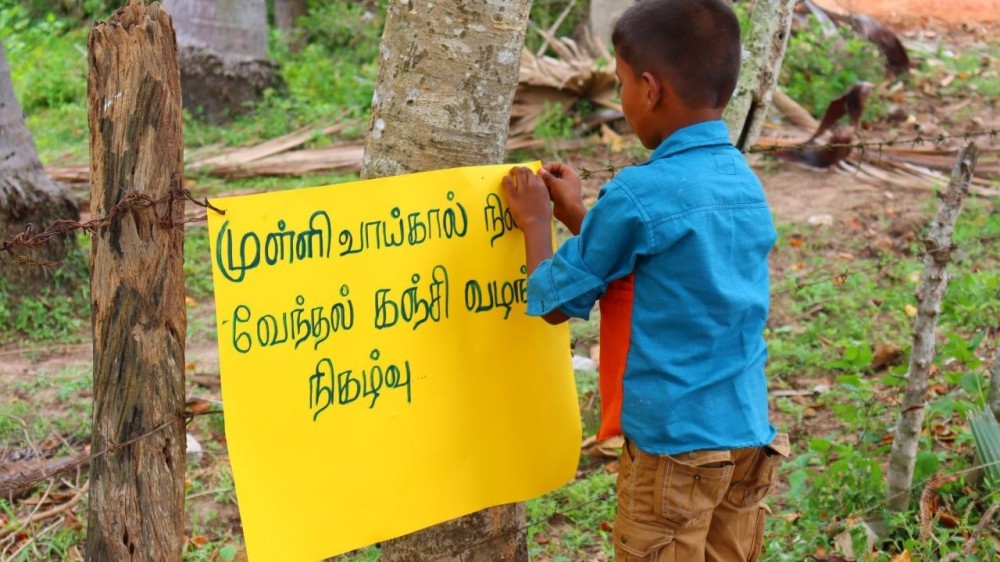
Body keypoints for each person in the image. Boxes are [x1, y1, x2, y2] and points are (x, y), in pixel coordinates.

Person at [501, 1, 789, 560]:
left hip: (673, 451)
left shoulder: (638, 193)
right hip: (747, 435)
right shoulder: (741, 180)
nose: (623, 97)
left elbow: (555, 300)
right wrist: (579, 214)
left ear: (650, 89)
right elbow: (655, 256)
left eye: (623, 82)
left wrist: (535, 221)